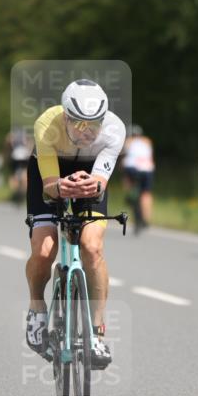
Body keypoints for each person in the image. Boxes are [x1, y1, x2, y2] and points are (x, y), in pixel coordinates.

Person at [25, 79, 126, 367]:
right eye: (79, 123)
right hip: (51, 171)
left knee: (92, 247)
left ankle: (96, 332)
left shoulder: (115, 129)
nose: (87, 131)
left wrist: (90, 186)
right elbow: (48, 186)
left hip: (88, 173)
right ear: (66, 117)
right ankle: (36, 307)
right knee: (44, 249)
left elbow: (100, 183)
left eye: (94, 123)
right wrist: (59, 187)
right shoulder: (47, 124)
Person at [121, 124, 155, 233]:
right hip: (147, 169)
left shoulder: (128, 141)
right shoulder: (147, 141)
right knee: (146, 194)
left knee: (131, 189)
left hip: (133, 168)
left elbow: (123, 159)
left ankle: (131, 197)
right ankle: (146, 220)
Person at [4, 127, 33, 204]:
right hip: (24, 157)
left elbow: (7, 143)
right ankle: (22, 194)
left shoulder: (12, 134)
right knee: (24, 175)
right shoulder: (25, 135)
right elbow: (30, 145)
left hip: (15, 157)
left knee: (14, 175)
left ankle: (17, 193)